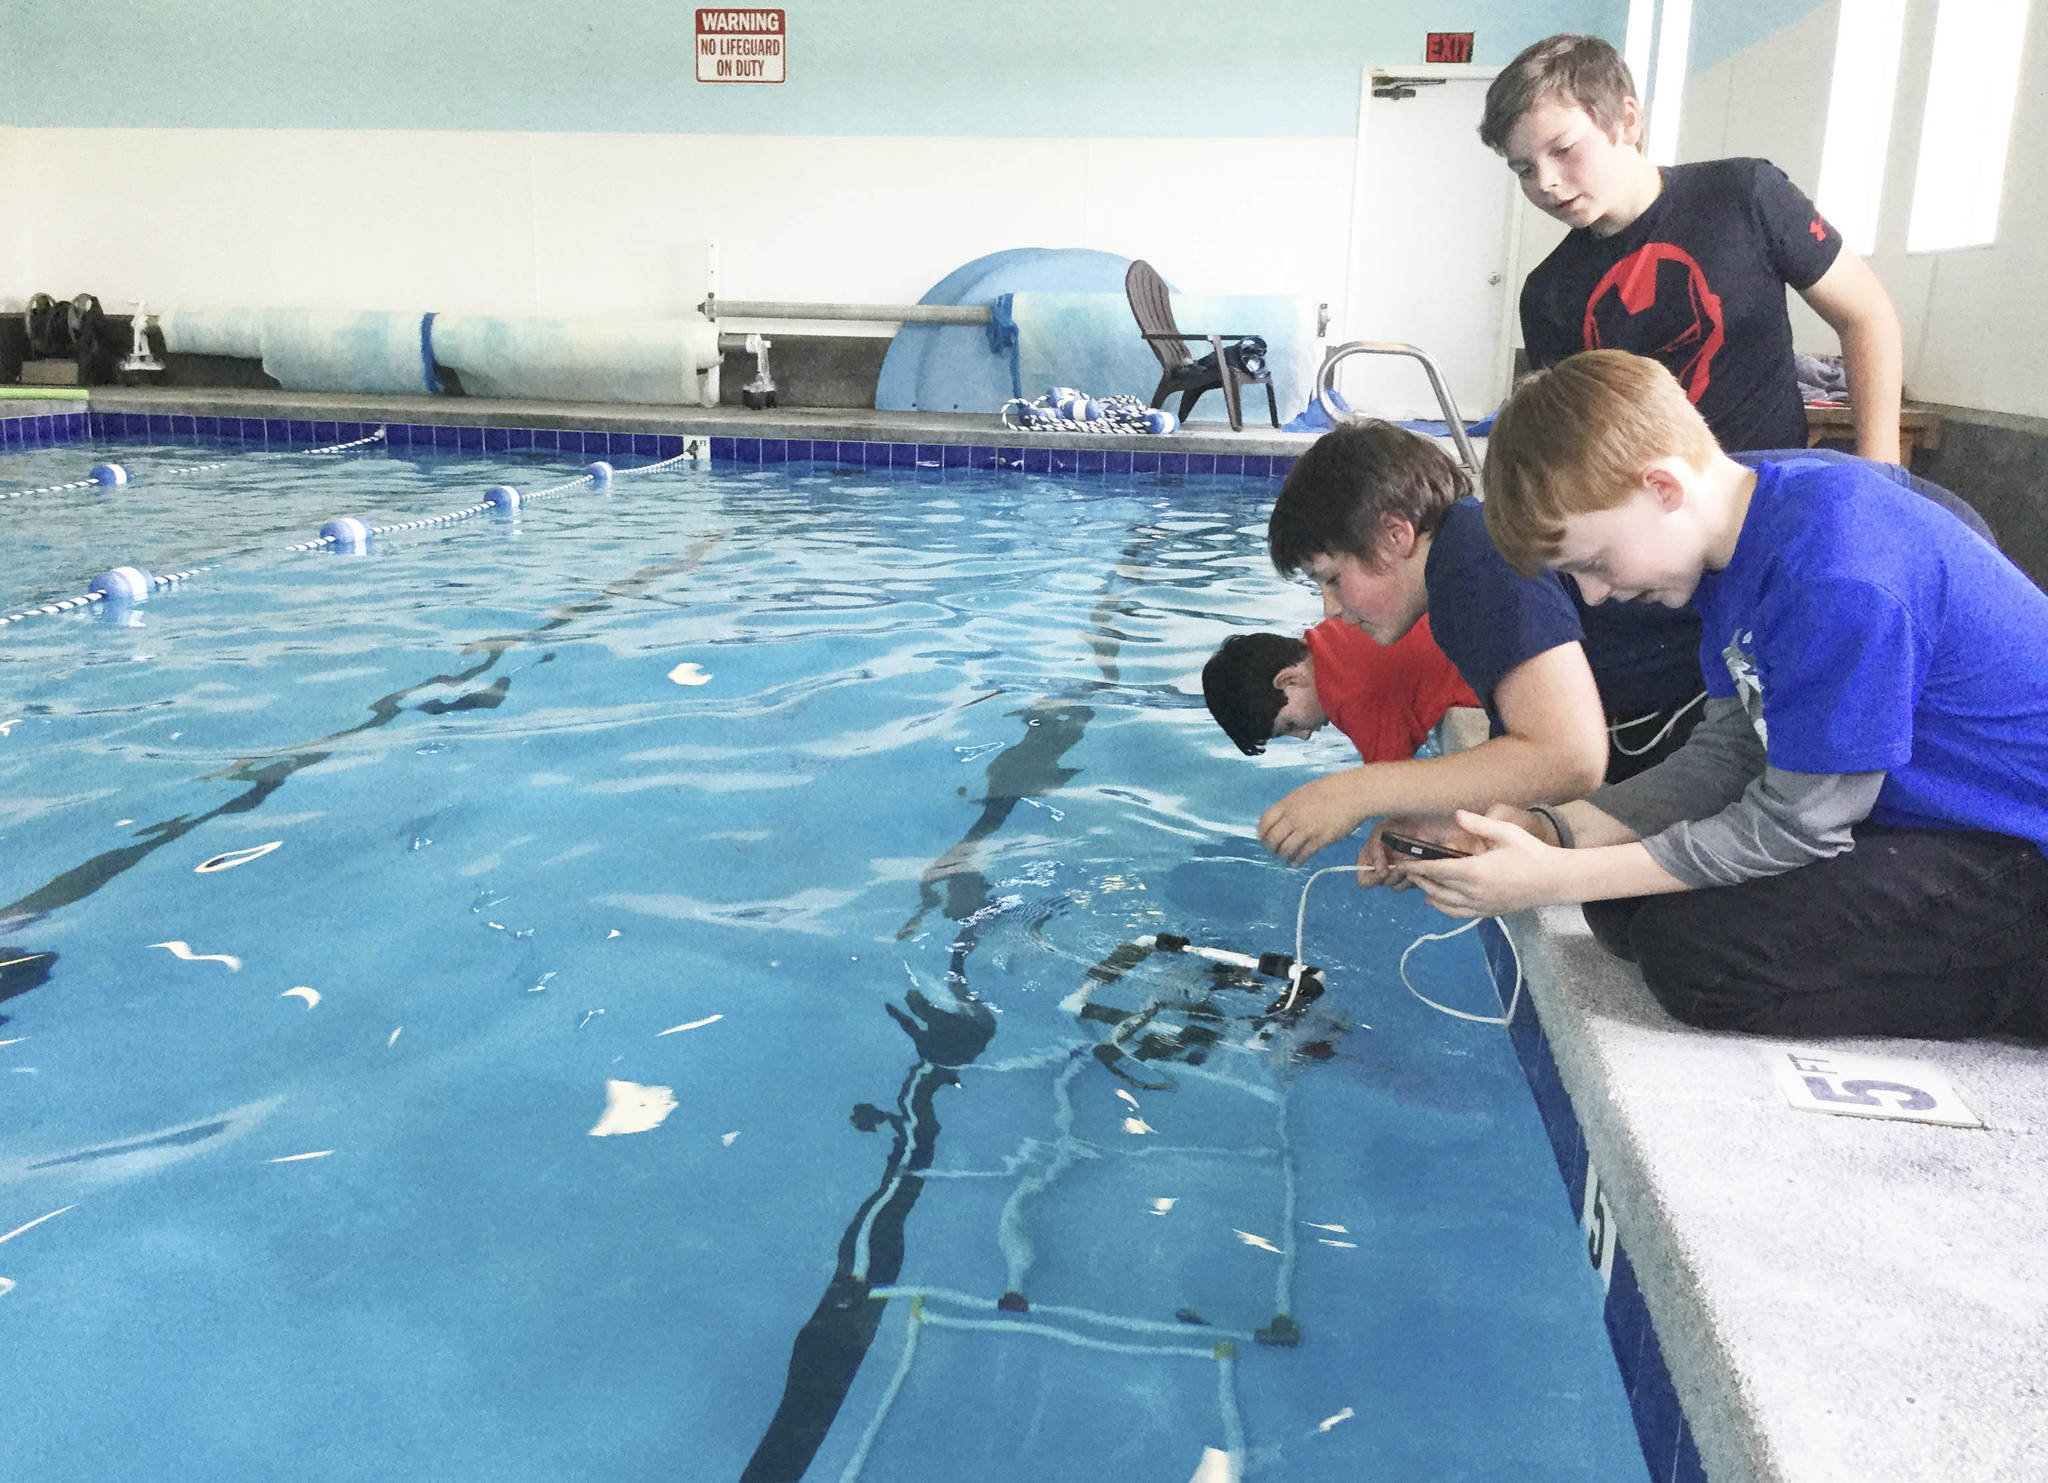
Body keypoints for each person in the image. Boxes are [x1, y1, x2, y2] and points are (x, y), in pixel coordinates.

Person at [1400, 350, 2048, 1039]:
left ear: (1663, 488)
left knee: (1697, 962)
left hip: (2020, 846)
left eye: (1592, 562)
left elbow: (1799, 823)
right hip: (1928, 816)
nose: (1593, 594)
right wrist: (1554, 832)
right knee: (1622, 911)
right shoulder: (1740, 545)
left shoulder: (1835, 571)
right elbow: (1733, 753)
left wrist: (1554, 879)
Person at [1257, 419, 1712, 866]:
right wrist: (1448, 822)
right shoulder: (1462, 563)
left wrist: (1354, 792)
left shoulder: (1471, 560)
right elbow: (1527, 756)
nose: (1329, 609)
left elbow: (1570, 757)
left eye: (1333, 579)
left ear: (1395, 535)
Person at [1481, 32, 1905, 463]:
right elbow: (1572, 442)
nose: (1545, 181)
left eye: (1564, 149)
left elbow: (1866, 315)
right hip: (1649, 516)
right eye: (1524, 168)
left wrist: (1881, 475)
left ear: (1628, 122)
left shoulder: (1745, 195)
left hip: (1773, 496)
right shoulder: (1548, 293)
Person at [1201, 616, 1481, 761]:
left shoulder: (1347, 696)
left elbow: (1394, 781)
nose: (1304, 735)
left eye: (1290, 724)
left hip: (1487, 683)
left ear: (1289, 681)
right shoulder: (1335, 631)